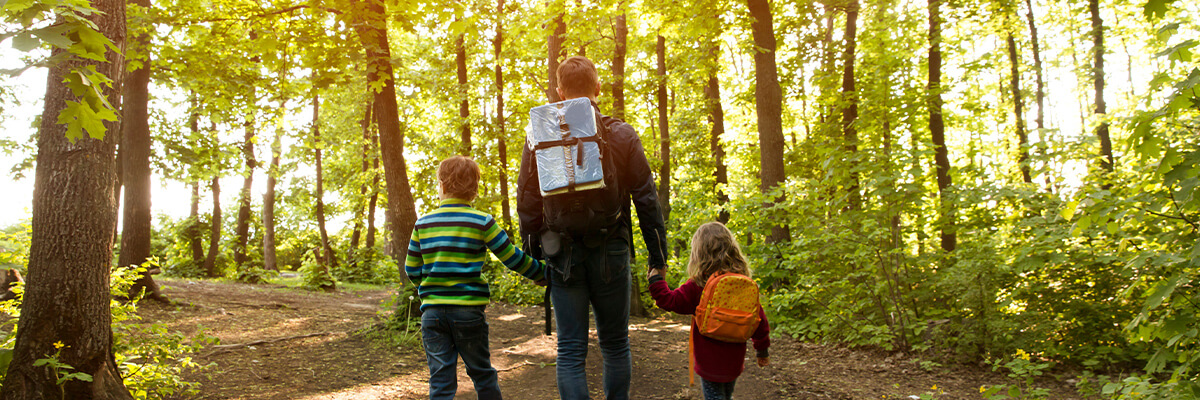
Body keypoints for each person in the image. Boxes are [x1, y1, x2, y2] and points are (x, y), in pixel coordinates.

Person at [517, 55, 669, 400]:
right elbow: (646, 199)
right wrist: (656, 259)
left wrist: (535, 259)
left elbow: (526, 201)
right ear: (598, 88)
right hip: (611, 249)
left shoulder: (537, 138)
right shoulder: (621, 134)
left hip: (562, 254)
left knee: (571, 350)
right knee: (615, 344)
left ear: (559, 92)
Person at [406, 155, 546, 400]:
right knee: (482, 373)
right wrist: (543, 272)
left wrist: (431, 288)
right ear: (474, 189)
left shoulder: (423, 224)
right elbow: (512, 257)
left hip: (433, 314)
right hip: (468, 313)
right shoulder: (481, 221)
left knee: (440, 379)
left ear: (443, 185)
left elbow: (412, 269)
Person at [648, 222, 770, 400]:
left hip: (709, 361)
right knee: (725, 395)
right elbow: (759, 319)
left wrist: (656, 281)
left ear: (699, 252)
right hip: (734, 360)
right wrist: (762, 350)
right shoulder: (742, 283)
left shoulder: (699, 284)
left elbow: (670, 301)